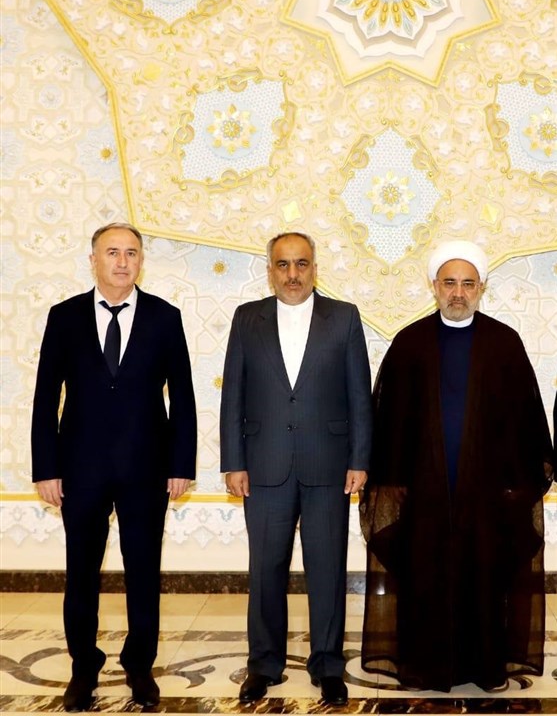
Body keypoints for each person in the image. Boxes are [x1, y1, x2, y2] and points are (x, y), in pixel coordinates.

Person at [360, 239, 554, 693]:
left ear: (482, 287)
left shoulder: (504, 343)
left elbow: (526, 418)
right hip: (424, 491)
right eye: (449, 282)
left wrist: (517, 483)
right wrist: (392, 479)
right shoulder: (410, 343)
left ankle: (482, 667)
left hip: (484, 492)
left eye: (468, 283)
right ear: (434, 286)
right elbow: (388, 416)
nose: (458, 292)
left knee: (482, 579)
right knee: (425, 579)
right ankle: (425, 667)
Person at [31, 223, 197, 711]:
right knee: (80, 573)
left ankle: (140, 667)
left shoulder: (165, 317)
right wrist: (46, 468)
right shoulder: (64, 317)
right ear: (93, 260)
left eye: (131, 253)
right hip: (79, 470)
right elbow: (45, 398)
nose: (122, 262)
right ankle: (83, 667)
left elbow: (183, 398)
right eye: (112, 252)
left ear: (141, 261)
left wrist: (180, 464)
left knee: (143, 572)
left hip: (147, 470)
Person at [220, 231, 372, 705]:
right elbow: (233, 395)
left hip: (329, 466)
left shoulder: (344, 317)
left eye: (301, 264)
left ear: (314, 269)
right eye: (283, 265)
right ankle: (264, 664)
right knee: (265, 570)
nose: (292, 274)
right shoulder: (247, 318)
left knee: (327, 570)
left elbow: (359, 395)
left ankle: (328, 665)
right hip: (263, 466)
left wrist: (360, 460)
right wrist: (233, 462)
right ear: (270, 270)